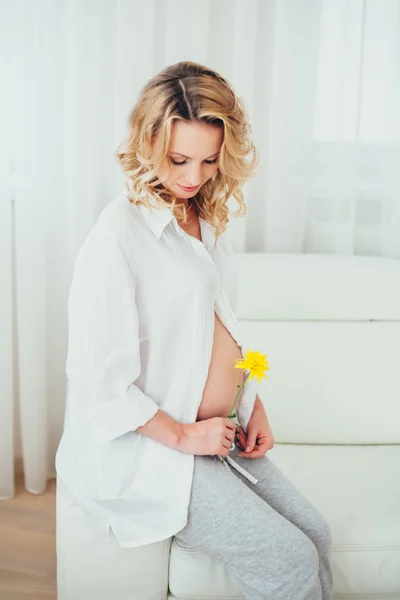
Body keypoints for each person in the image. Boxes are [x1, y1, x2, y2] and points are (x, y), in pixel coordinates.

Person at [55, 61, 333, 600]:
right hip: (163, 447)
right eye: (179, 159)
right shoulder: (116, 238)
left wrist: (252, 405)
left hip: (219, 434)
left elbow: (221, 326)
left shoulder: (203, 217)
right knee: (291, 561)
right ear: (148, 141)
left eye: (208, 161)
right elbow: (99, 383)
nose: (192, 176)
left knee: (318, 535)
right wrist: (185, 436)